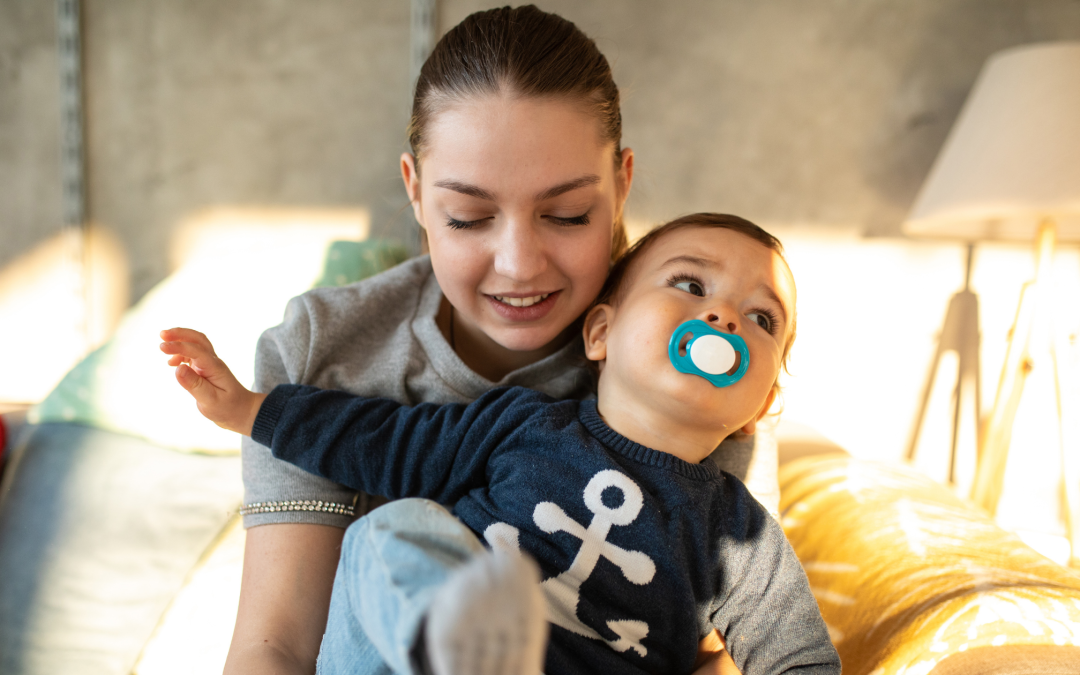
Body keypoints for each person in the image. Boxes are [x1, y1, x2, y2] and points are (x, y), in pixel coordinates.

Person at [227, 6, 779, 673]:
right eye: (468, 217)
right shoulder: (322, 352)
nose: (519, 263)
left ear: (622, 183)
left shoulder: (694, 369)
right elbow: (277, 647)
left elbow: (710, 656)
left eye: (567, 214)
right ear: (416, 192)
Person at [161, 214, 839, 675]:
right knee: (390, 526)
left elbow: (799, 660)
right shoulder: (521, 424)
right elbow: (380, 440)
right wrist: (255, 410)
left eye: (761, 317)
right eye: (690, 284)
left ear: (766, 402)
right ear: (599, 333)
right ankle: (456, 647)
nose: (721, 316)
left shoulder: (740, 536)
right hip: (407, 659)